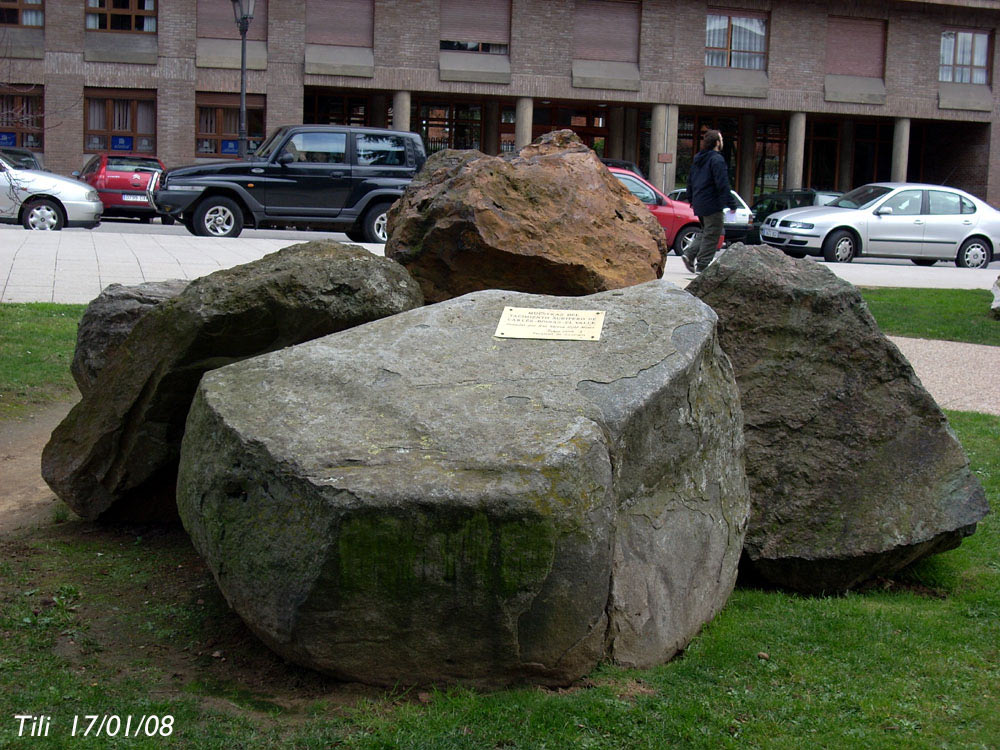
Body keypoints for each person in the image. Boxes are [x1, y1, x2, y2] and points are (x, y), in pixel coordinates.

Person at [683, 129, 737, 273]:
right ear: (717, 143)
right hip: (712, 203)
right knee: (713, 234)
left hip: (700, 202)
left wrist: (692, 199)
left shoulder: (699, 158)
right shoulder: (717, 159)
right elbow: (722, 183)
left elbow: (690, 181)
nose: (723, 142)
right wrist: (731, 204)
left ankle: (689, 254)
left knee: (706, 230)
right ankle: (703, 265)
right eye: (722, 140)